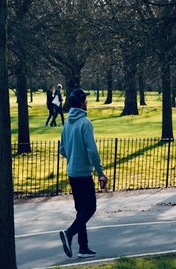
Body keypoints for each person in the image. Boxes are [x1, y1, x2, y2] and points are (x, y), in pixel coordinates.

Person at [59, 88, 107, 259]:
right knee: (91, 207)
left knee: (81, 211)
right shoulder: (85, 122)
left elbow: (62, 150)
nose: (87, 103)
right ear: (80, 102)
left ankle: (83, 248)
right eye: (85, 100)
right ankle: (69, 233)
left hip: (72, 172)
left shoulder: (66, 124)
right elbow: (92, 151)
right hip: (83, 173)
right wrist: (100, 172)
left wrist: (73, 155)